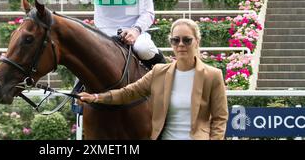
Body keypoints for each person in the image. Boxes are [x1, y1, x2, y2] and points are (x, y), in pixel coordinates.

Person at [79, 18, 228, 140]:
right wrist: (96, 97)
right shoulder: (159, 72)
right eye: (175, 40)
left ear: (197, 41)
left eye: (187, 40)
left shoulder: (213, 75)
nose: (181, 44)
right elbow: (128, 93)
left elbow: (220, 118)